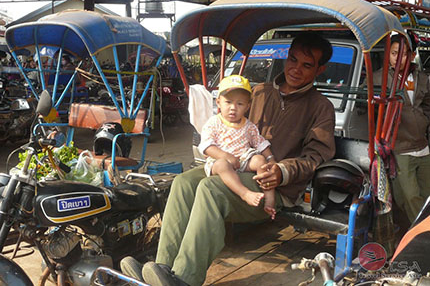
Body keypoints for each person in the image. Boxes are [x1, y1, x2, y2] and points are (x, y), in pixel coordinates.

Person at [120, 32, 336, 286]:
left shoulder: (321, 107)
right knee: (183, 183)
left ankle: (185, 279)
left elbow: (317, 155)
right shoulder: (260, 92)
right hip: (238, 166)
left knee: (211, 189)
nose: (295, 69)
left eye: (307, 65)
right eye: (293, 59)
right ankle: (162, 268)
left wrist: (282, 170)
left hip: (275, 187)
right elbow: (231, 124)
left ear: (320, 69)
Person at [199, 74, 276, 219]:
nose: (233, 108)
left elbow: (260, 143)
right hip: (219, 161)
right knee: (222, 165)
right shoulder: (214, 123)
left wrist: (270, 158)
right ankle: (244, 193)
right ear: (219, 102)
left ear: (247, 107)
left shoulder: (249, 126)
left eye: (240, 104)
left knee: (260, 161)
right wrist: (226, 156)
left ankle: (270, 198)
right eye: (228, 102)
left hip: (243, 159)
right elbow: (207, 146)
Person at [374, 34, 430, 224]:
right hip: (400, 147)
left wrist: (422, 120)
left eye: (404, 54)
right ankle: (421, 237)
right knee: (410, 196)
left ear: (412, 55)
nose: (399, 58)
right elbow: (368, 109)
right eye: (394, 53)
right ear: (387, 55)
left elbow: (427, 105)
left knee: (426, 195)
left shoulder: (422, 77)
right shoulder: (380, 78)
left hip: (423, 146)